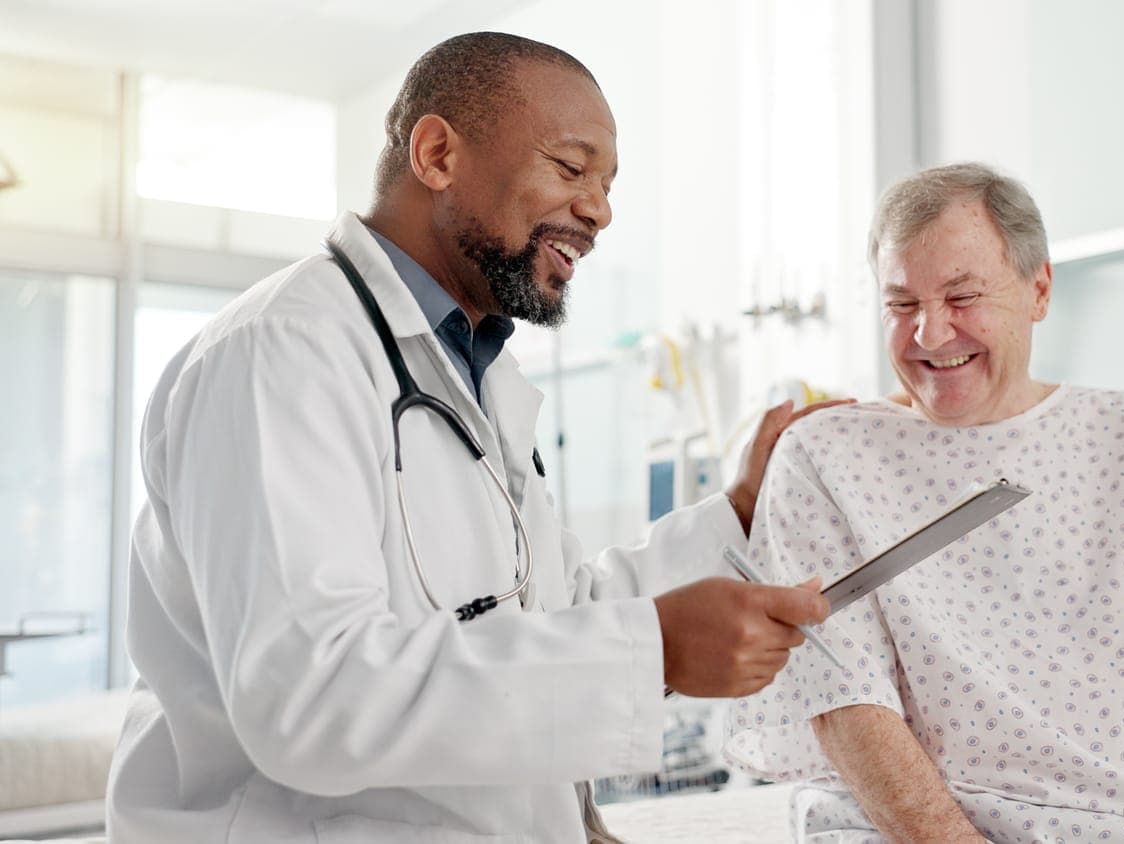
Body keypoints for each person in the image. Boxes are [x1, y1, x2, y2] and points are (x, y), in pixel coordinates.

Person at [107, 33, 837, 843]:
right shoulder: (282, 352)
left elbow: (547, 616)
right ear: (437, 153)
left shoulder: (474, 370)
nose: (599, 210)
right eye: (571, 167)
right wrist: (654, 652)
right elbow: (310, 696)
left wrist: (735, 511)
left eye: (607, 184)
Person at [725, 163, 1124, 843]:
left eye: (961, 297)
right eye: (901, 304)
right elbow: (843, 700)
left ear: (1039, 290)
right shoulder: (825, 455)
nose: (931, 334)